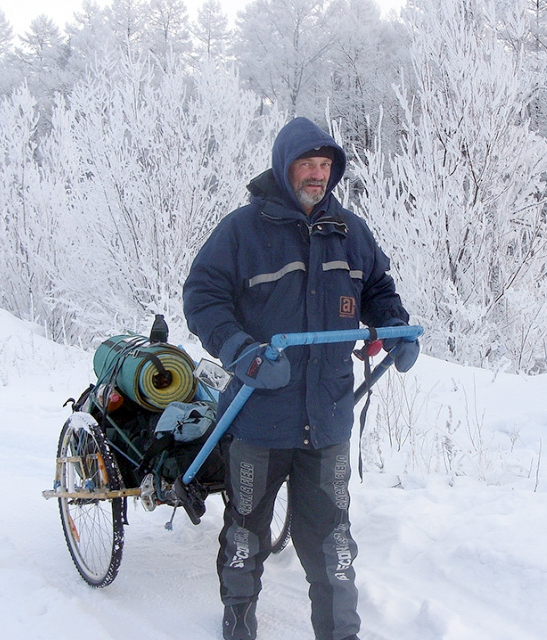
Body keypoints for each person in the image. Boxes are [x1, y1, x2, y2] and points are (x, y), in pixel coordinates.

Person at [183, 117, 419, 640]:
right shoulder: (242, 231)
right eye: (307, 165)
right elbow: (203, 297)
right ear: (285, 166)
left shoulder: (351, 233)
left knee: (333, 544)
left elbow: (378, 288)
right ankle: (239, 621)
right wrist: (240, 350)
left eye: (325, 166)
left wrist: (395, 328)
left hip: (328, 416)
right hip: (259, 417)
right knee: (246, 536)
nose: (317, 175)